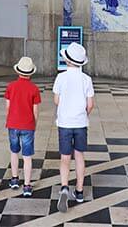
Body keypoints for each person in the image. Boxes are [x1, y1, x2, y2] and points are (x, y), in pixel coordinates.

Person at [53, 42, 94, 212]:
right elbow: (90, 104)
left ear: (67, 60)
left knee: (65, 158)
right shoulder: (86, 79)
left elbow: (56, 100)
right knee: (79, 156)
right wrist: (83, 114)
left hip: (64, 123)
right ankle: (79, 191)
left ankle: (64, 187)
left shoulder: (61, 77)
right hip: (80, 123)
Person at [4, 56, 40, 196]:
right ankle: (27, 185)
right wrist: (34, 124)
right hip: (28, 126)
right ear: (31, 73)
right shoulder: (34, 89)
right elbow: (35, 111)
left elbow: (8, 107)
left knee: (14, 152)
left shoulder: (11, 86)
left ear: (18, 71)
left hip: (13, 124)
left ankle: (14, 179)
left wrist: (9, 120)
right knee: (27, 156)